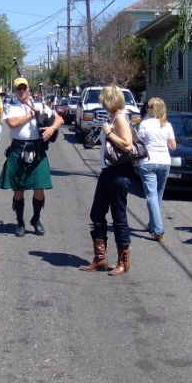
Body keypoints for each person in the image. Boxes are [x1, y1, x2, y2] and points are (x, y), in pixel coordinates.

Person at [79, 85, 137, 275]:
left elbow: (127, 145)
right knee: (97, 214)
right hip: (108, 172)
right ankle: (100, 258)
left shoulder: (120, 117)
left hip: (119, 173)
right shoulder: (113, 118)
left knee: (119, 217)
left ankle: (123, 261)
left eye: (104, 99)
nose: (101, 102)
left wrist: (109, 133)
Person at [0, 77, 63, 237]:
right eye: (18, 89)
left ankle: (36, 219)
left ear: (28, 89)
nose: (22, 91)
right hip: (18, 150)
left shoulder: (40, 105)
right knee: (18, 189)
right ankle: (20, 222)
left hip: (37, 150)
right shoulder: (10, 106)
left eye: (24, 88)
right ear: (14, 90)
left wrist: (52, 128)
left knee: (39, 188)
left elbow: (60, 118)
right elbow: (12, 123)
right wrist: (31, 114)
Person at [137, 97, 176, 241]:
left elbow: (138, 142)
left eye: (149, 106)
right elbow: (173, 146)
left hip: (148, 161)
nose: (146, 108)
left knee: (151, 196)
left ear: (154, 109)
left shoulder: (145, 124)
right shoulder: (167, 125)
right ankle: (153, 223)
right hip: (165, 162)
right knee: (157, 196)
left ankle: (158, 229)